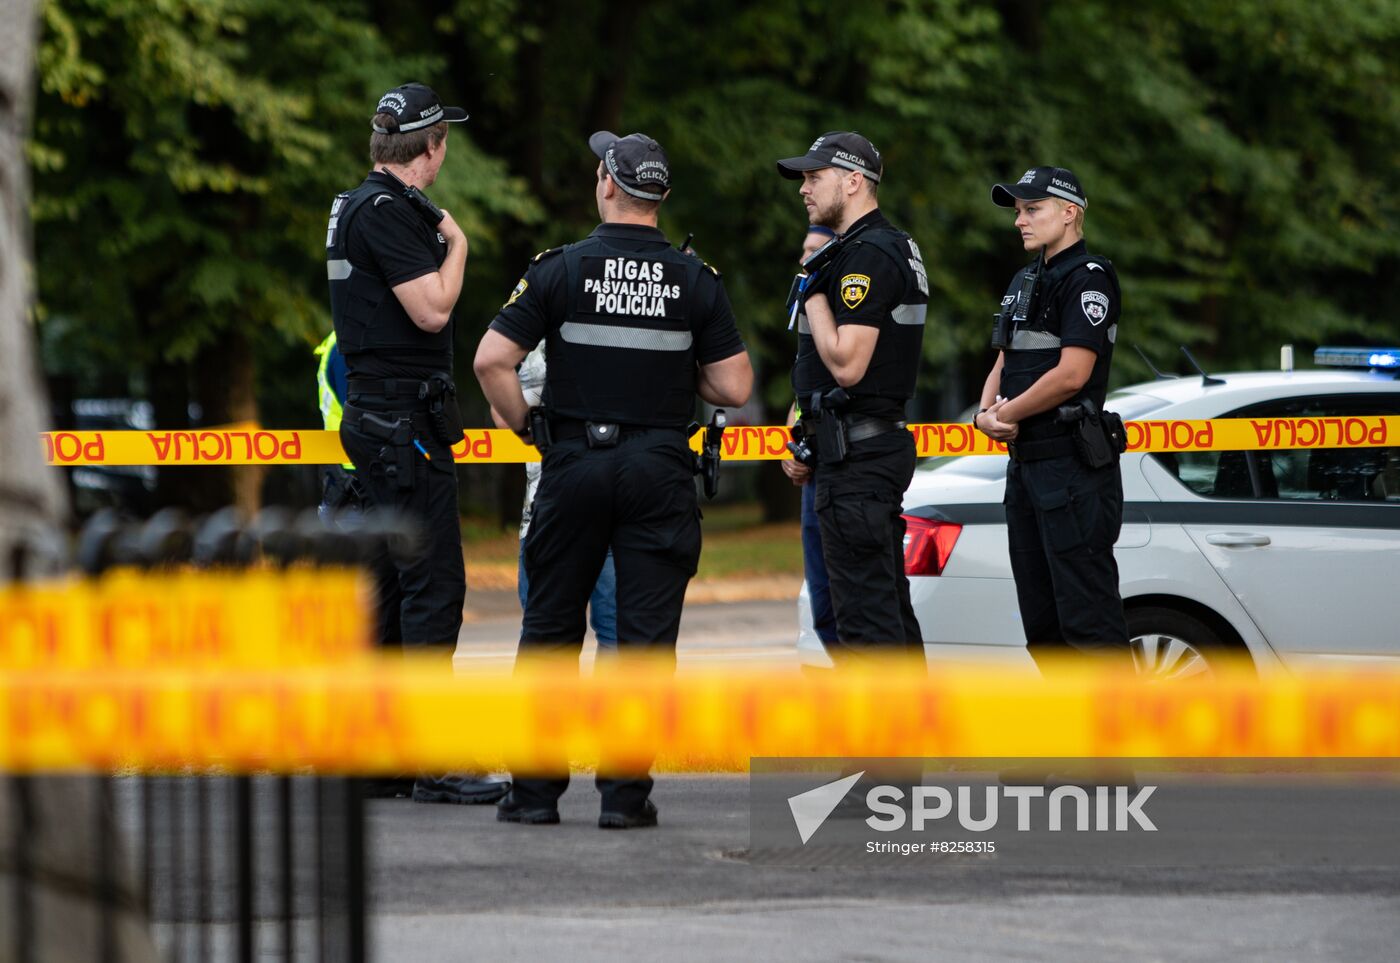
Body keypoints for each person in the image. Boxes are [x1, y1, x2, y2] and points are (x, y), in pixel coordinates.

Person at [474, 131, 753, 828]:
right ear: (660, 198)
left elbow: (490, 361)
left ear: (606, 183)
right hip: (659, 469)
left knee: (549, 630)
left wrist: (527, 427)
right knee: (645, 639)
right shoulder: (695, 280)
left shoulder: (559, 270)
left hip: (573, 465)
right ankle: (625, 798)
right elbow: (735, 383)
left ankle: (534, 795)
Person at [325, 81, 508, 805]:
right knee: (433, 587)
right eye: (444, 144)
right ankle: (434, 756)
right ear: (430, 149)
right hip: (403, 426)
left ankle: (380, 753)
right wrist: (456, 243)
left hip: (375, 422)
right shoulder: (388, 212)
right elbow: (432, 309)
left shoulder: (350, 204)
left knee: (387, 592)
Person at [775, 131, 927, 660]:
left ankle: (884, 743)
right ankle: (912, 740)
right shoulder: (879, 248)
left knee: (865, 629)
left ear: (854, 180)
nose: (804, 189)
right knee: (885, 617)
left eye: (814, 178)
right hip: (856, 453)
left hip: (859, 463)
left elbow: (846, 364)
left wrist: (812, 286)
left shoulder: (865, 256)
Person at [972, 166, 1130, 673]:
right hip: (1026, 470)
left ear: (1070, 213)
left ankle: (1118, 749)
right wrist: (983, 414)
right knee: (1043, 627)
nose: (1020, 220)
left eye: (1032, 209)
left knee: (1089, 625)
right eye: (1018, 210)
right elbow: (1004, 360)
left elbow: (1072, 374)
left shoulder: (1089, 279)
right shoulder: (1025, 278)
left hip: (1072, 470)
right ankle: (1072, 745)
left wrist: (1007, 414)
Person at [505, 343, 618, 652]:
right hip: (619, 505)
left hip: (548, 510)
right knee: (620, 640)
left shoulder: (539, 319)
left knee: (547, 642)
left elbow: (499, 401)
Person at [781, 226, 839, 649]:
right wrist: (792, 444)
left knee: (848, 610)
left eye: (816, 251)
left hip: (843, 465)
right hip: (811, 470)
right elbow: (803, 392)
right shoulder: (809, 310)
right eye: (803, 250)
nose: (806, 259)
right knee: (824, 608)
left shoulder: (848, 309)